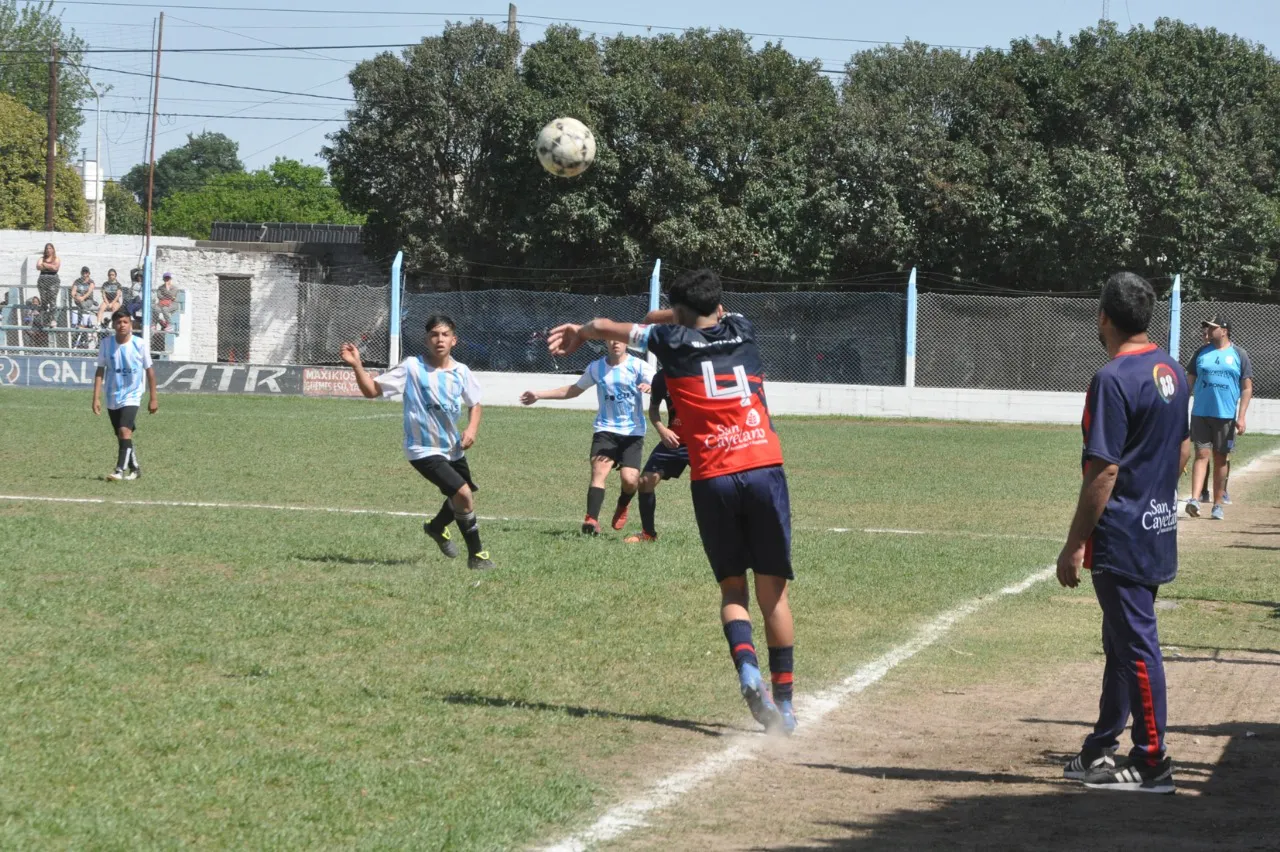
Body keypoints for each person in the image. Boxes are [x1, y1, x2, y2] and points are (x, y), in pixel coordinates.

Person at [547, 269, 796, 734]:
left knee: (732, 590)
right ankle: (784, 707)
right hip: (763, 467)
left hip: (714, 477)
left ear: (679, 313)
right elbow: (686, 313)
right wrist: (683, 312)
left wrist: (581, 333)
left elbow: (605, 324)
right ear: (719, 304)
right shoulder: (744, 327)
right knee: (773, 596)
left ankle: (747, 672)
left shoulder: (669, 341)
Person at [1056, 272, 1189, 794]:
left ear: (1104, 318)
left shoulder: (1112, 378)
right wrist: (1154, 493)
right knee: (1121, 642)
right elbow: (1182, 448)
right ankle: (1100, 748)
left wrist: (1074, 544)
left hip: (1123, 537)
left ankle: (1153, 762)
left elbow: (1104, 471)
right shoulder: (1173, 370)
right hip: (1156, 527)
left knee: (1136, 646)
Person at [340, 315, 494, 571]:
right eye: (434, 335)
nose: (439, 339)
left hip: (452, 448)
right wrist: (357, 365)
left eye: (445, 335)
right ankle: (477, 556)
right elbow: (372, 391)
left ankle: (436, 527)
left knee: (463, 495)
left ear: (454, 340)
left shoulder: (461, 372)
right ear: (426, 340)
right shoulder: (412, 367)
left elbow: (475, 403)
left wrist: (472, 429)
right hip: (421, 449)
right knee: (463, 494)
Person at [520, 340, 655, 535]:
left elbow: (659, 381)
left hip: (632, 432)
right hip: (606, 430)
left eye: (619, 338)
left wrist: (652, 386)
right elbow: (573, 390)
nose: (615, 342)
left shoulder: (638, 366)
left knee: (630, 480)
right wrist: (538, 395)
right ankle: (591, 520)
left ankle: (623, 503)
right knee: (599, 472)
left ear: (627, 342)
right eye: (610, 339)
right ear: (606, 342)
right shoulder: (597, 367)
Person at [1184, 314, 1252, 521]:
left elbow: (1247, 387)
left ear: (1224, 331)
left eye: (1212, 327)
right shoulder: (1201, 353)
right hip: (1201, 413)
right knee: (1201, 454)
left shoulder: (1239, 354)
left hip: (1226, 416)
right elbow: (1189, 382)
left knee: (1220, 458)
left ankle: (1218, 504)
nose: (1208, 331)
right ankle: (1195, 500)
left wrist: (1241, 416)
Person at [623, 368, 690, 544]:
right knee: (645, 481)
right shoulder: (662, 377)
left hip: (701, 441)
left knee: (712, 488)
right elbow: (653, 409)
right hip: (673, 440)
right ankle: (648, 534)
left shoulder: (699, 372)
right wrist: (662, 430)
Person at [92, 308, 159, 481]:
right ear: (114, 325)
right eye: (118, 322)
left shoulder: (140, 344)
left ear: (131, 324)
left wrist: (153, 398)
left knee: (124, 431)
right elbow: (100, 370)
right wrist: (96, 398)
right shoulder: (106, 344)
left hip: (133, 395)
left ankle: (119, 470)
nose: (122, 325)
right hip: (113, 395)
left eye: (125, 322)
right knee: (122, 435)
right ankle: (135, 469)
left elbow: (150, 372)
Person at [35, 242, 61, 328]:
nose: (48, 250)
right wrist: (50, 266)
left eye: (50, 248)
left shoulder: (56, 258)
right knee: (44, 301)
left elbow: (55, 268)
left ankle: (53, 320)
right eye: (47, 248)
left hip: (53, 281)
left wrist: (45, 265)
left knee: (52, 301)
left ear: (53, 250)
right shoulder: (41, 258)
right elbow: (38, 266)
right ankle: (45, 320)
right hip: (42, 281)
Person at [70, 267, 97, 345]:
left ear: (89, 273)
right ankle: (82, 323)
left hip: (88, 300)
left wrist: (82, 298)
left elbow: (89, 292)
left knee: (83, 306)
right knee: (78, 296)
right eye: (83, 272)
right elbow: (73, 292)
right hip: (78, 300)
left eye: (86, 272)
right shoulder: (77, 281)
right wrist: (76, 297)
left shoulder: (91, 282)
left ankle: (82, 323)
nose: (84, 274)